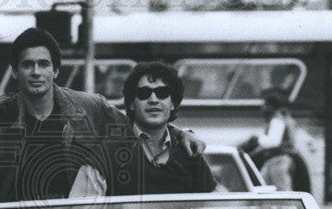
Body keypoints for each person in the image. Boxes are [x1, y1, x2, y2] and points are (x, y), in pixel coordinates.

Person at [0, 28, 204, 208]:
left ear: (56, 71)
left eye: (43, 64)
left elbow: (136, 128)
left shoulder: (89, 107)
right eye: (27, 65)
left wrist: (181, 135)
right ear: (15, 72)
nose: (36, 72)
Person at [69, 61, 219, 197]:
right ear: (132, 104)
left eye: (162, 93)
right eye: (143, 93)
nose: (153, 99)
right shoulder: (106, 152)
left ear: (173, 103)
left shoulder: (189, 152)